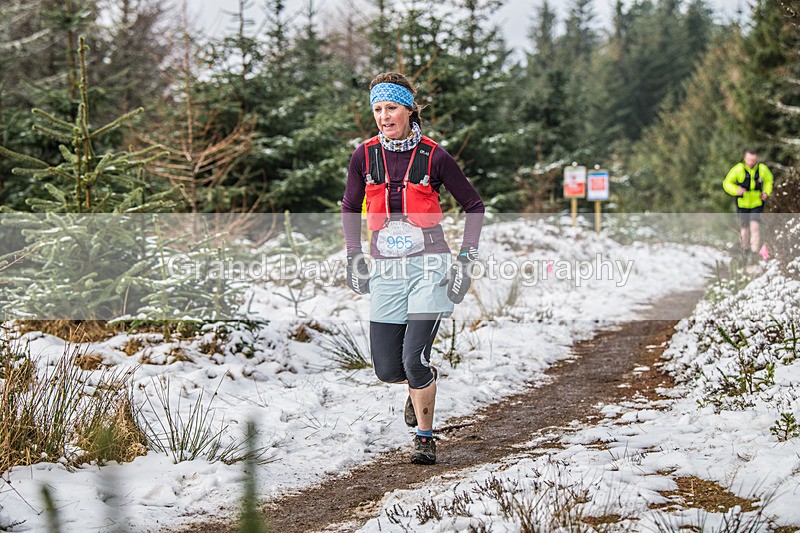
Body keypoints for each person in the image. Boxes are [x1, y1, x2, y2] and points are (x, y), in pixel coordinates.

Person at [341, 72, 485, 465]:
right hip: (386, 269)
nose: (384, 116)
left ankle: (425, 436)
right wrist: (354, 253)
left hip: (430, 266)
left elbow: (474, 207)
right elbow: (351, 207)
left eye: (391, 108)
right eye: (377, 109)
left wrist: (466, 260)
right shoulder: (364, 156)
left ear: (408, 109)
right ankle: (419, 383)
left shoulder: (434, 155)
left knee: (413, 360)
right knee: (388, 369)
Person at [723, 148, 774, 266]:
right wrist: (736, 190)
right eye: (749, 160)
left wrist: (766, 192)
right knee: (744, 228)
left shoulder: (762, 169)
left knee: (755, 225)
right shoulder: (738, 169)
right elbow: (726, 183)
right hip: (742, 204)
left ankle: (754, 252)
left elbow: (769, 181)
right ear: (744, 159)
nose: (751, 162)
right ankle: (744, 250)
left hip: (757, 203)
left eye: (754, 160)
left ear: (757, 159)